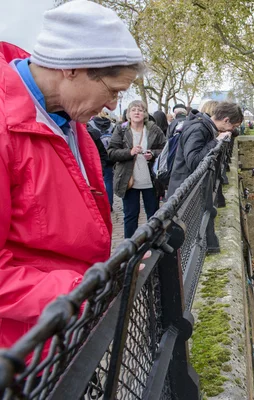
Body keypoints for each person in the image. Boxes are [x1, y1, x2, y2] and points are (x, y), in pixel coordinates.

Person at [0, 0, 143, 349]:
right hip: (26, 349)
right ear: (73, 69)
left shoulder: (67, 115)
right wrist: (88, 289)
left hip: (61, 333)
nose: (112, 106)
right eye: (113, 91)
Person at [108, 100, 165, 238]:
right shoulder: (121, 130)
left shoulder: (153, 129)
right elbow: (111, 152)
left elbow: (164, 149)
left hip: (150, 180)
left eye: (140, 110)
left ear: (145, 113)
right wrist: (130, 152)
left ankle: (154, 244)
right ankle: (130, 249)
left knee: (153, 215)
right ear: (128, 114)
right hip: (129, 180)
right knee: (130, 216)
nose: (137, 112)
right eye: (133, 110)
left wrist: (152, 154)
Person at [167, 102, 243, 198]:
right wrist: (216, 141)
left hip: (190, 190)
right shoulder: (198, 129)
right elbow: (193, 162)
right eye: (234, 126)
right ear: (226, 120)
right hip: (183, 193)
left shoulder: (205, 127)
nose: (232, 130)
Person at [87, 111, 115, 211]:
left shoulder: (90, 125)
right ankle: (109, 204)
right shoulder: (111, 125)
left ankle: (99, 205)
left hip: (96, 158)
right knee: (109, 181)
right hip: (109, 156)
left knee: (96, 183)